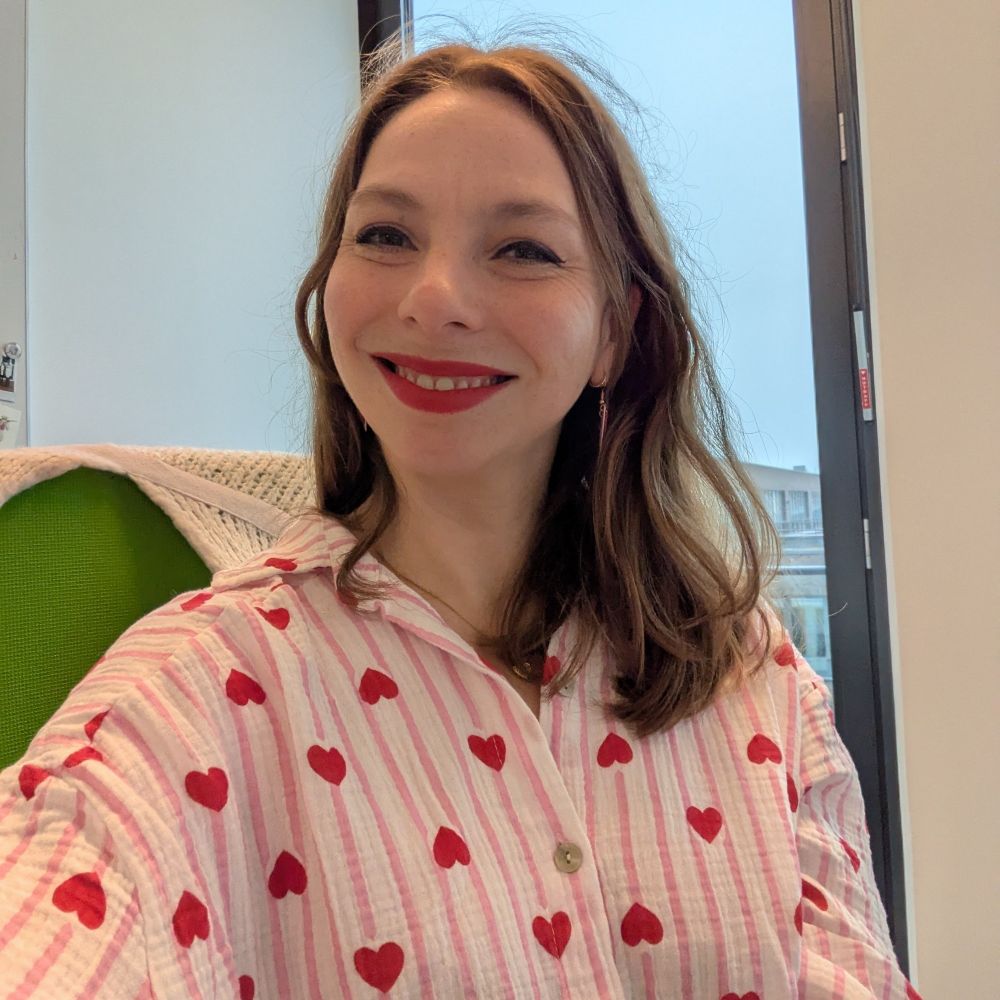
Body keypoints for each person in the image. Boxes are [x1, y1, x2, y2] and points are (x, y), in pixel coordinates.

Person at [0, 29, 921, 1000]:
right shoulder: (180, 706)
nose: (433, 296)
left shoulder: (747, 670)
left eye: (522, 248)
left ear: (618, 329)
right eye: (385, 235)